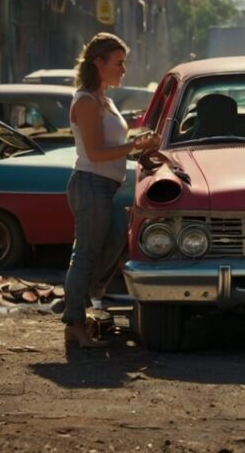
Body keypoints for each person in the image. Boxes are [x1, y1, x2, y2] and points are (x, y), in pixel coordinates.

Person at [63, 33, 159, 348]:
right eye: (118, 63)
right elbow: (95, 153)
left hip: (108, 187)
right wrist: (133, 144)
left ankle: (86, 302)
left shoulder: (104, 98)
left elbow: (114, 146)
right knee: (85, 255)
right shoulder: (87, 101)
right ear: (98, 63)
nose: (124, 69)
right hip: (91, 184)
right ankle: (74, 323)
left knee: (116, 241)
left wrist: (138, 143)